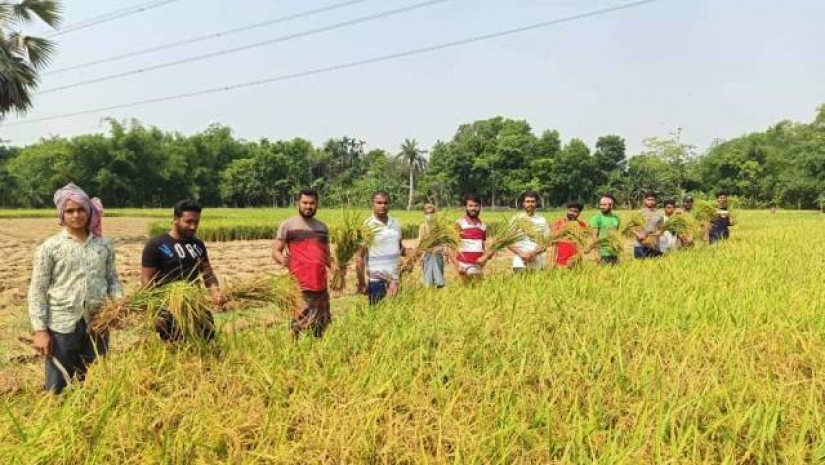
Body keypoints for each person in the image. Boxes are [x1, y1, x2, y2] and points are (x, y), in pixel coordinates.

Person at [28, 183, 123, 394]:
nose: (76, 215)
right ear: (61, 214)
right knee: (57, 385)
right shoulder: (50, 247)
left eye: (81, 209)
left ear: (89, 211)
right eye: (70, 211)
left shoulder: (103, 245)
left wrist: (119, 305)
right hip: (62, 324)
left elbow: (112, 279)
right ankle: (56, 412)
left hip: (98, 321)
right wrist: (40, 331)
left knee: (94, 382)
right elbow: (37, 290)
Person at [141, 199, 226, 342]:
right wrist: (154, 311)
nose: (193, 227)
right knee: (176, 348)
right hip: (170, 309)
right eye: (188, 222)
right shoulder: (156, 244)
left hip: (196, 307)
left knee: (208, 343)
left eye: (196, 222)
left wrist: (216, 293)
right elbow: (146, 280)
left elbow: (208, 274)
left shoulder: (198, 245)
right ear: (175, 219)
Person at [273, 189, 332, 338]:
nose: (308, 206)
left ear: (317, 204)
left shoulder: (322, 227)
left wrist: (338, 270)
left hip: (320, 284)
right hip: (299, 284)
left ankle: (317, 348)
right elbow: (276, 251)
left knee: (320, 323)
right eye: (305, 203)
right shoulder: (288, 225)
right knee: (297, 322)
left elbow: (327, 255)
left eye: (312, 203)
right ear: (298, 203)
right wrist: (282, 259)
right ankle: (293, 348)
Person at [356, 190, 405, 305]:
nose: (382, 206)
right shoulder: (367, 225)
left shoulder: (396, 223)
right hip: (376, 281)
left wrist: (415, 252)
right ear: (372, 204)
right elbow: (359, 256)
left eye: (385, 203)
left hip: (395, 279)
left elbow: (400, 248)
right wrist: (361, 282)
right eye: (379, 203)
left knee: (397, 313)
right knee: (377, 313)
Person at [454, 193, 493, 282]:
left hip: (477, 267)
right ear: (466, 207)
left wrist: (486, 257)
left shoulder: (483, 226)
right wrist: (457, 266)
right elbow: (449, 247)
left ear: (480, 207)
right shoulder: (459, 224)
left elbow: (483, 247)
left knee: (478, 288)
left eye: (476, 205)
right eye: (470, 205)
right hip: (463, 267)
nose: (473, 208)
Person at [509, 190, 549, 273]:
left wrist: (534, 253)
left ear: (536, 203)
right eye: (527, 201)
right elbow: (507, 242)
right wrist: (521, 254)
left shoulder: (542, 220)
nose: (530, 204)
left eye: (533, 201)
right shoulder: (516, 219)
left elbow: (546, 242)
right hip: (519, 263)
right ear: (523, 203)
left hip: (537, 262)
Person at [418, 200, 446, 288]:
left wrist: (443, 251)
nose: (430, 215)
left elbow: (443, 241)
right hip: (427, 253)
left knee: (438, 277)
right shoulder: (422, 226)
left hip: (437, 252)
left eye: (431, 213)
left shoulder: (439, 226)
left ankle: (439, 286)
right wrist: (421, 254)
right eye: (428, 213)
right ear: (425, 214)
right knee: (428, 278)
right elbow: (420, 241)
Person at [552, 201, 587, 268]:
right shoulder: (560, 223)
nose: (572, 213)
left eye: (575, 211)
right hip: (561, 261)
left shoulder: (582, 225)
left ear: (579, 213)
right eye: (570, 210)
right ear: (567, 210)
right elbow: (554, 243)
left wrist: (578, 257)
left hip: (575, 260)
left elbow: (583, 244)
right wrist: (553, 260)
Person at [589, 194, 621, 265]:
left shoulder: (616, 218)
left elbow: (616, 235)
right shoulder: (596, 218)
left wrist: (618, 250)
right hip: (603, 252)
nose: (601, 207)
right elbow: (594, 236)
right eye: (601, 204)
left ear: (611, 205)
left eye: (604, 205)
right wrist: (597, 252)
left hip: (614, 251)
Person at [633, 192, 664, 259]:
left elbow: (661, 228)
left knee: (654, 264)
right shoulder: (639, 213)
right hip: (640, 245)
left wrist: (658, 233)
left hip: (654, 245)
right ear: (645, 200)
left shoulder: (660, 213)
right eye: (648, 199)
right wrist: (638, 234)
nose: (650, 202)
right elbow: (631, 227)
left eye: (652, 200)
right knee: (639, 264)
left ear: (656, 201)